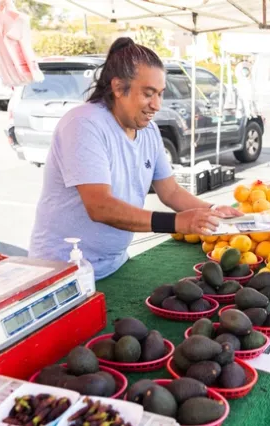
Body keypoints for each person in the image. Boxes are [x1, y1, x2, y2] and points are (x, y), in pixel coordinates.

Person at [29, 37, 240, 280]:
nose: (157, 105)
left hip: (114, 264)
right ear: (118, 88)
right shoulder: (84, 124)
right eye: (148, 94)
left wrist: (212, 211)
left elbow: (169, 191)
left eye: (160, 94)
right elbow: (100, 206)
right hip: (62, 271)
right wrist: (177, 222)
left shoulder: (148, 131)